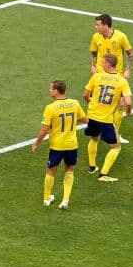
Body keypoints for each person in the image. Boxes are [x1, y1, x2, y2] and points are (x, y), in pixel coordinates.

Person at [32, 79, 87, 209]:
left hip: (57, 145)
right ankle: (65, 200)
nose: (49, 90)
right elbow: (84, 119)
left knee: (51, 170)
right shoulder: (75, 103)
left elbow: (45, 129)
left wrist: (36, 143)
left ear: (56, 91)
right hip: (72, 145)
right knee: (69, 169)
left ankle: (46, 198)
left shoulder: (50, 108)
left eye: (51, 88)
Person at [83, 54, 133, 181]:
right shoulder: (122, 81)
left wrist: (91, 101)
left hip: (92, 116)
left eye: (103, 63)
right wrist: (128, 112)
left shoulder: (97, 76)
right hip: (105, 120)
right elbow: (128, 102)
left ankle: (92, 166)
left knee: (94, 139)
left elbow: (85, 95)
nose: (101, 65)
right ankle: (103, 174)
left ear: (109, 65)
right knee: (116, 147)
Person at [88, 13, 133, 143]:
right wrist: (93, 65)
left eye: (98, 25)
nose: (95, 27)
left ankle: (115, 133)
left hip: (117, 75)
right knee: (97, 101)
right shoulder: (96, 37)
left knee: (120, 104)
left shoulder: (120, 37)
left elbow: (130, 53)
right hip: (100, 75)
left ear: (106, 25)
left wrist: (128, 70)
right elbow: (93, 52)